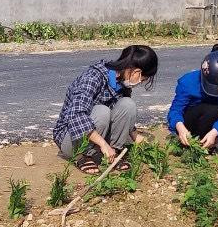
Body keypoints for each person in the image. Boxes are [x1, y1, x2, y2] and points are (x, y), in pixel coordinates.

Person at [53, 45, 158, 173]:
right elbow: (76, 115)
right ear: (136, 72)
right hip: (70, 139)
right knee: (102, 111)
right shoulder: (93, 77)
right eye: (143, 78)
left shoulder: (122, 82)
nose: (141, 82)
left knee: (127, 104)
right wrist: (103, 144)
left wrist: (135, 136)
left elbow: (122, 115)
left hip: (97, 138)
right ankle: (82, 156)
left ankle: (114, 151)